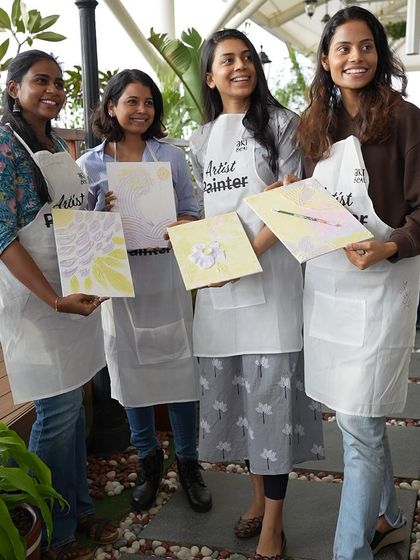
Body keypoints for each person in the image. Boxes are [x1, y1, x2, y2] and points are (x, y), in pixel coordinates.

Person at [189, 29, 324, 560]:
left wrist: (240, 258)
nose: (240, 66)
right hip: (220, 295)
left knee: (271, 406)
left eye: (247, 57)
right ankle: (253, 498)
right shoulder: (198, 141)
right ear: (210, 75)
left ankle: (274, 523)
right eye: (228, 60)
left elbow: (294, 202)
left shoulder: (284, 125)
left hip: (271, 288)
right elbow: (202, 216)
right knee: (241, 402)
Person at [296, 7, 420, 559]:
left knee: (357, 420)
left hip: (383, 285)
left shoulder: (408, 119)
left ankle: (350, 552)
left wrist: (390, 244)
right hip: (329, 285)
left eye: (366, 47)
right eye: (343, 48)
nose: (355, 58)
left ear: (380, 55)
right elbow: (310, 204)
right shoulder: (314, 125)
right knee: (360, 415)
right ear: (325, 59)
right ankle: (390, 516)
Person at [0, 50, 118, 560]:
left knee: (70, 407)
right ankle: (54, 533)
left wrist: (100, 208)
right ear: (12, 88)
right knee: (55, 411)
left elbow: (64, 213)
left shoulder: (52, 141)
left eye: (58, 82)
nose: (52, 89)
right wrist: (52, 299)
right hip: (39, 301)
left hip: (73, 292)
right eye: (40, 81)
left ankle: (80, 507)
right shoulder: (5, 148)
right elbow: (5, 237)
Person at [77, 69, 212, 514]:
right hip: (120, 280)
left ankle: (189, 463)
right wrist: (101, 209)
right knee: (130, 374)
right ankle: (149, 461)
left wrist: (183, 224)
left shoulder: (170, 156)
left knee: (180, 374)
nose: (141, 110)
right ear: (111, 106)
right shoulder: (90, 164)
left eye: (149, 102)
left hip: (165, 274)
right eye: (131, 101)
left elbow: (192, 211)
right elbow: (82, 230)